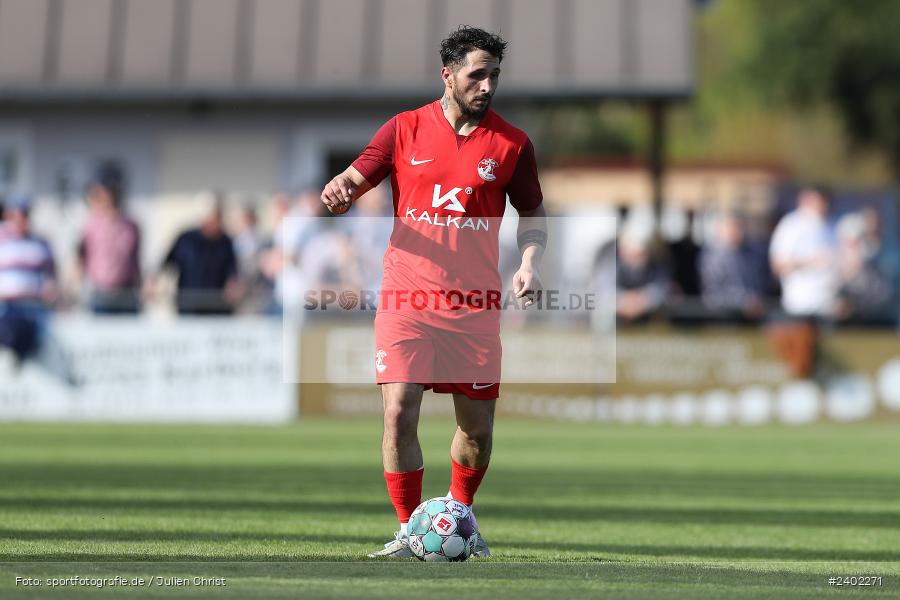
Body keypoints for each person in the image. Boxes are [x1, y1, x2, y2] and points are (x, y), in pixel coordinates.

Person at [320, 26, 546, 558]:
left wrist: (532, 262)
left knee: (478, 431)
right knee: (398, 410)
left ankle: (460, 514)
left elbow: (533, 210)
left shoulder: (512, 144)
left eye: (494, 76)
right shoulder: (404, 129)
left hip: (473, 306)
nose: (487, 85)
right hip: (407, 296)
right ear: (447, 75)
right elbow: (357, 175)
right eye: (477, 75)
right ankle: (409, 530)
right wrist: (341, 189)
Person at [0, 194, 75, 383]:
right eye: (16, 214)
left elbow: (52, 274)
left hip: (34, 306)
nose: (21, 219)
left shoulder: (40, 242)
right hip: (6, 305)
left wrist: (54, 292)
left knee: (36, 340)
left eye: (24, 214)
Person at [156, 194, 240, 315]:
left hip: (218, 309)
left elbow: (233, 272)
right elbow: (166, 264)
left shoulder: (226, 243)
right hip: (188, 307)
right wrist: (155, 283)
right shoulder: (186, 239)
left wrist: (233, 286)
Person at [77, 163, 142, 314]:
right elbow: (81, 258)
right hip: (100, 294)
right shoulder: (90, 225)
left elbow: (135, 261)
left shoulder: (131, 225)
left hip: (127, 293)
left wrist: (143, 287)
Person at [699, 212, 767, 322]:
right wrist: (744, 301)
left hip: (753, 317)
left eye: (739, 228)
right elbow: (712, 293)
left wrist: (755, 300)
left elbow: (761, 282)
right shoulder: (712, 258)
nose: (736, 232)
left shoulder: (753, 254)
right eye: (731, 228)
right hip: (723, 317)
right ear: (720, 231)